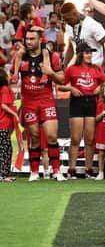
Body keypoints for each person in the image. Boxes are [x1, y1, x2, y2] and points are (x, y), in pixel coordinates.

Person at [13, 27, 66, 181]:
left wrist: (51, 74)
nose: (29, 42)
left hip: (46, 100)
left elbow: (61, 80)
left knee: (51, 136)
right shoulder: (20, 56)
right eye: (27, 39)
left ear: (40, 40)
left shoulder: (51, 56)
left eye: (32, 39)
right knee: (34, 137)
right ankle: (34, 172)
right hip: (28, 102)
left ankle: (56, 171)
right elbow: (13, 77)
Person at [59, 42, 105, 179]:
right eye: (87, 53)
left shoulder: (97, 69)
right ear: (80, 54)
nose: (89, 55)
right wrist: (71, 88)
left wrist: (100, 89)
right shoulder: (71, 69)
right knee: (75, 138)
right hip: (77, 102)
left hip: (91, 102)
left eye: (90, 53)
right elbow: (60, 87)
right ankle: (72, 170)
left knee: (90, 139)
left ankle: (89, 170)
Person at [60, 2, 105, 67]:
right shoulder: (69, 25)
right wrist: (65, 64)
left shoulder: (92, 25)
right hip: (79, 67)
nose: (66, 22)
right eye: (64, 20)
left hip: (94, 67)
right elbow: (71, 45)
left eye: (68, 20)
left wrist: (102, 67)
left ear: (75, 13)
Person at [0, 68, 22, 182]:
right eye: (8, 74)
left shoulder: (5, 89)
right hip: (2, 125)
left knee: (5, 149)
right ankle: (4, 175)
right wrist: (15, 114)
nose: (10, 76)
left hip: (4, 125)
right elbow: (4, 105)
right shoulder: (4, 89)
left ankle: (4, 174)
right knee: (5, 150)